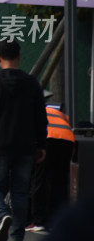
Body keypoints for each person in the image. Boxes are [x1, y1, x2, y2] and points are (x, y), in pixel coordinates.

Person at [0, 39, 47, 241]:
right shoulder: (32, 83)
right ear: (19, 57)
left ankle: (2, 214)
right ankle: (18, 238)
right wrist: (41, 144)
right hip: (25, 147)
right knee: (20, 191)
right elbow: (41, 117)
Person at [26, 99, 75, 233]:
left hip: (47, 138)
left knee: (39, 180)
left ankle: (38, 221)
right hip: (68, 139)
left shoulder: (30, 110)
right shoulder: (56, 112)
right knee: (60, 182)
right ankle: (58, 220)